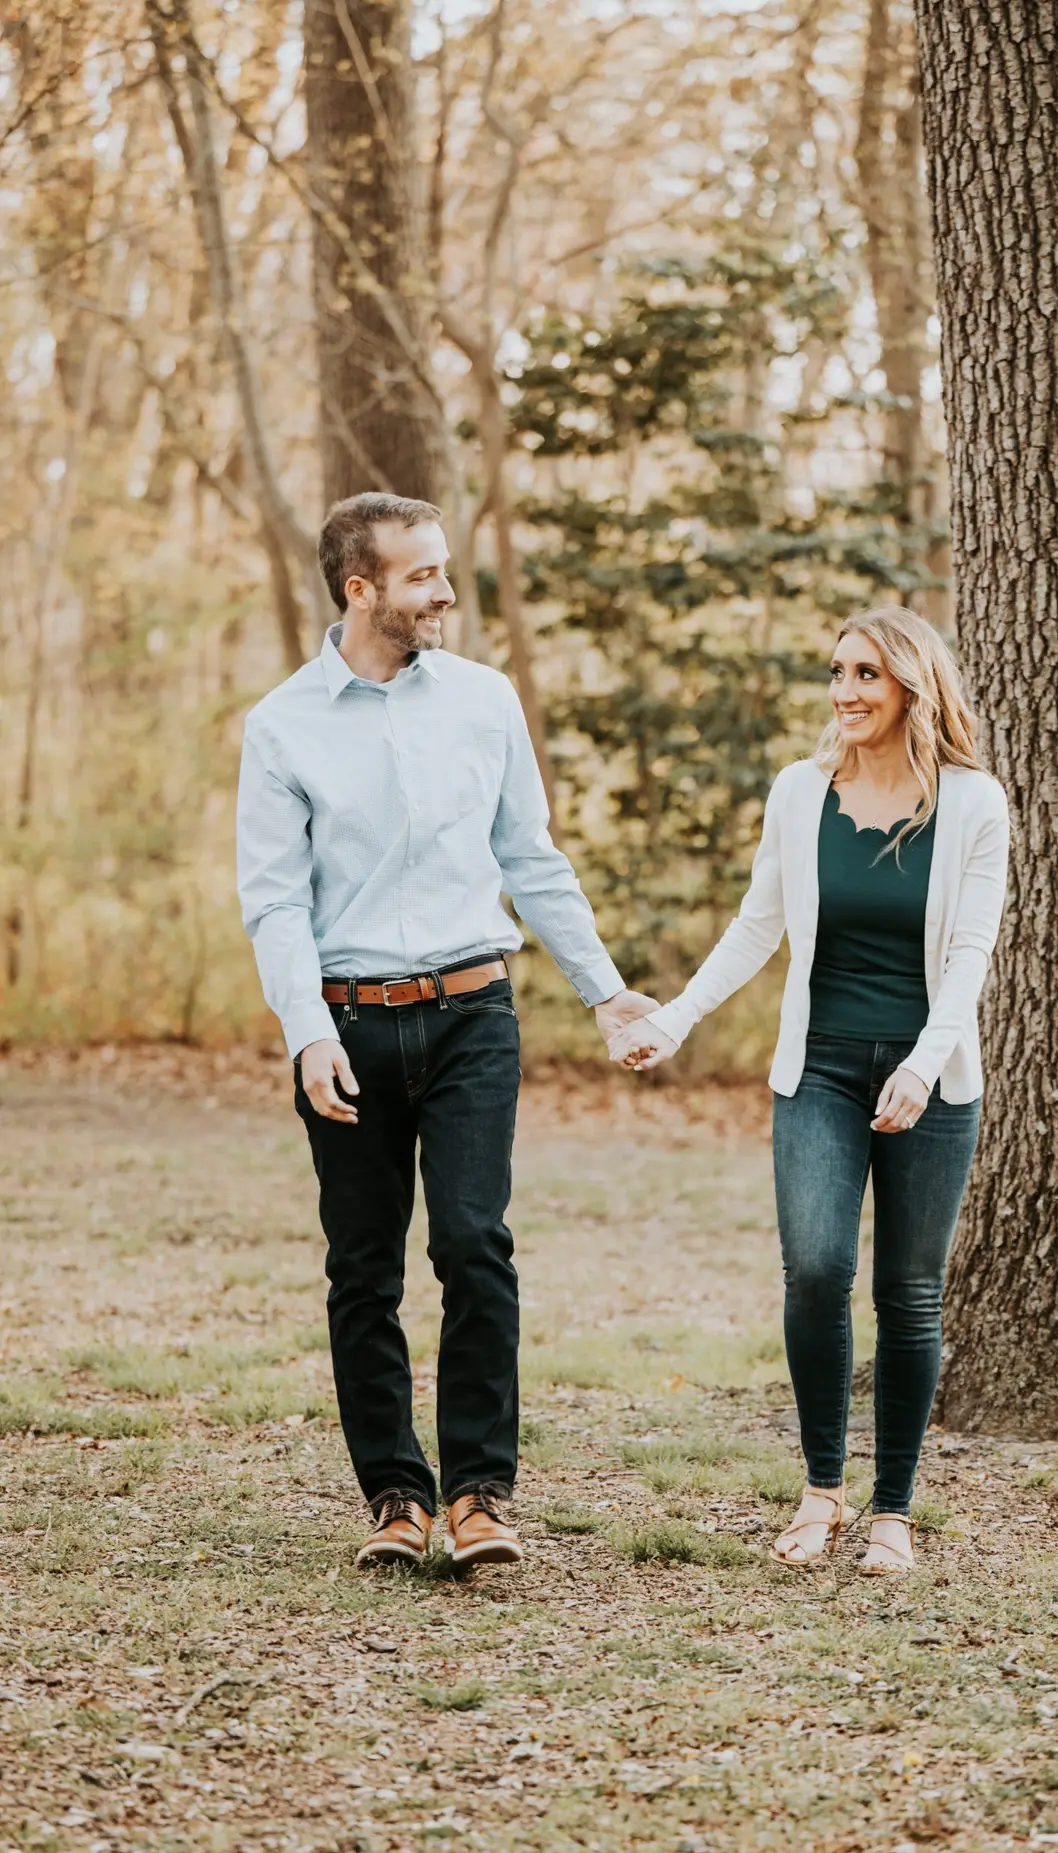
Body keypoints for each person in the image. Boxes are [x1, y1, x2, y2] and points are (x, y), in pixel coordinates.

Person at [236, 491, 657, 1571]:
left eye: (444, 568)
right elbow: (275, 900)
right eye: (421, 575)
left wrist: (604, 990)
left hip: (475, 1010)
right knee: (363, 1268)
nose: (445, 591)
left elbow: (531, 858)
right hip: (348, 1024)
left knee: (475, 1244)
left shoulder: (482, 700)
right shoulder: (283, 725)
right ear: (359, 587)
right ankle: (393, 1496)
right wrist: (304, 1031)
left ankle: (477, 1496)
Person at [609, 608, 1009, 1575]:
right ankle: (822, 1490)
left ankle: (894, 1512)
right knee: (819, 1271)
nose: (845, 692)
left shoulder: (973, 802)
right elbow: (759, 926)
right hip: (819, 1069)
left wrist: (923, 1062)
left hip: (932, 1078)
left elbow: (970, 952)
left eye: (866, 674)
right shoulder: (800, 791)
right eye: (836, 672)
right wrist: (675, 1018)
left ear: (913, 685)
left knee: (910, 1293)